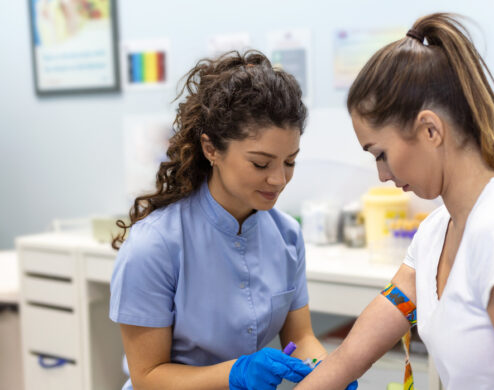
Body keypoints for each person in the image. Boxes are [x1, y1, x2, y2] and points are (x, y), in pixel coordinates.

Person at [296, 13, 494, 390]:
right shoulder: (435, 233)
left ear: (430, 130)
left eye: (380, 154)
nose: (382, 174)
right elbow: (353, 354)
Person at [109, 50, 355, 390]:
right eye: (260, 163)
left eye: (290, 162)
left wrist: (328, 373)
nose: (279, 180)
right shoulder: (155, 245)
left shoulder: (287, 236)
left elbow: (301, 337)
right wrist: (235, 373)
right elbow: (147, 377)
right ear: (211, 149)